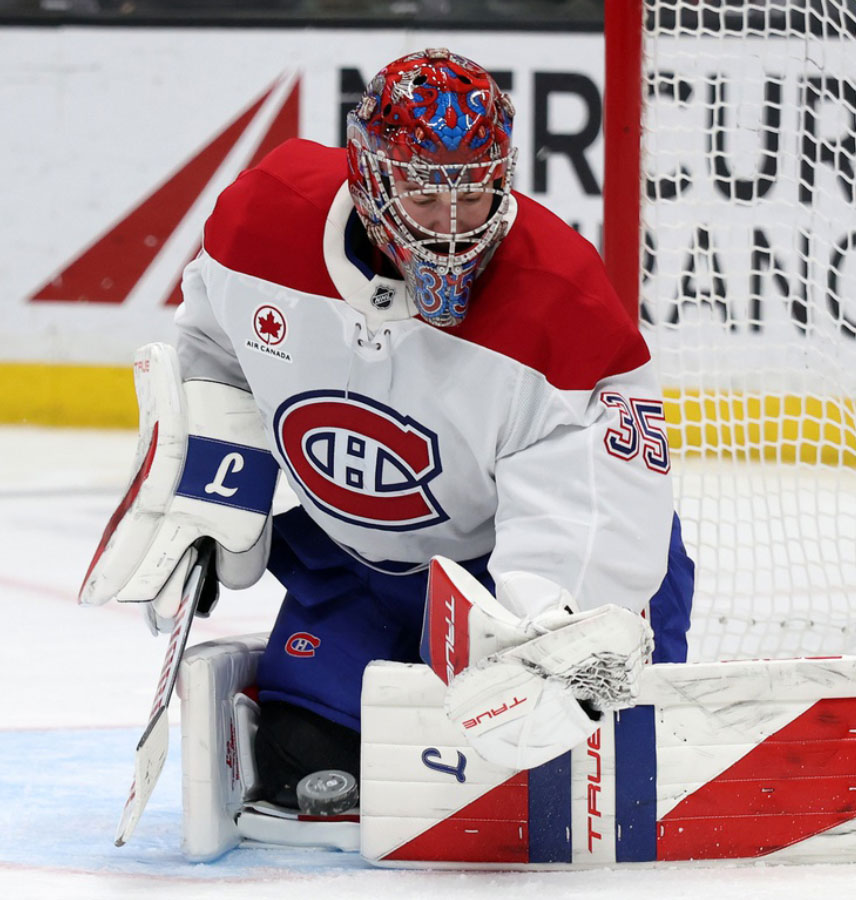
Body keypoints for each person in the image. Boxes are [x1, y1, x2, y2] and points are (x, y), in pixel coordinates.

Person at [167, 48, 694, 810]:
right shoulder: (265, 221)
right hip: (363, 573)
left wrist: (540, 632)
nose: (452, 229)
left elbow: (593, 506)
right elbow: (211, 354)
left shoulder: (560, 305)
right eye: (424, 196)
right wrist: (206, 491)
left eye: (473, 197)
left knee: (537, 783)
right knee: (299, 769)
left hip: (517, 577)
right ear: (373, 178)